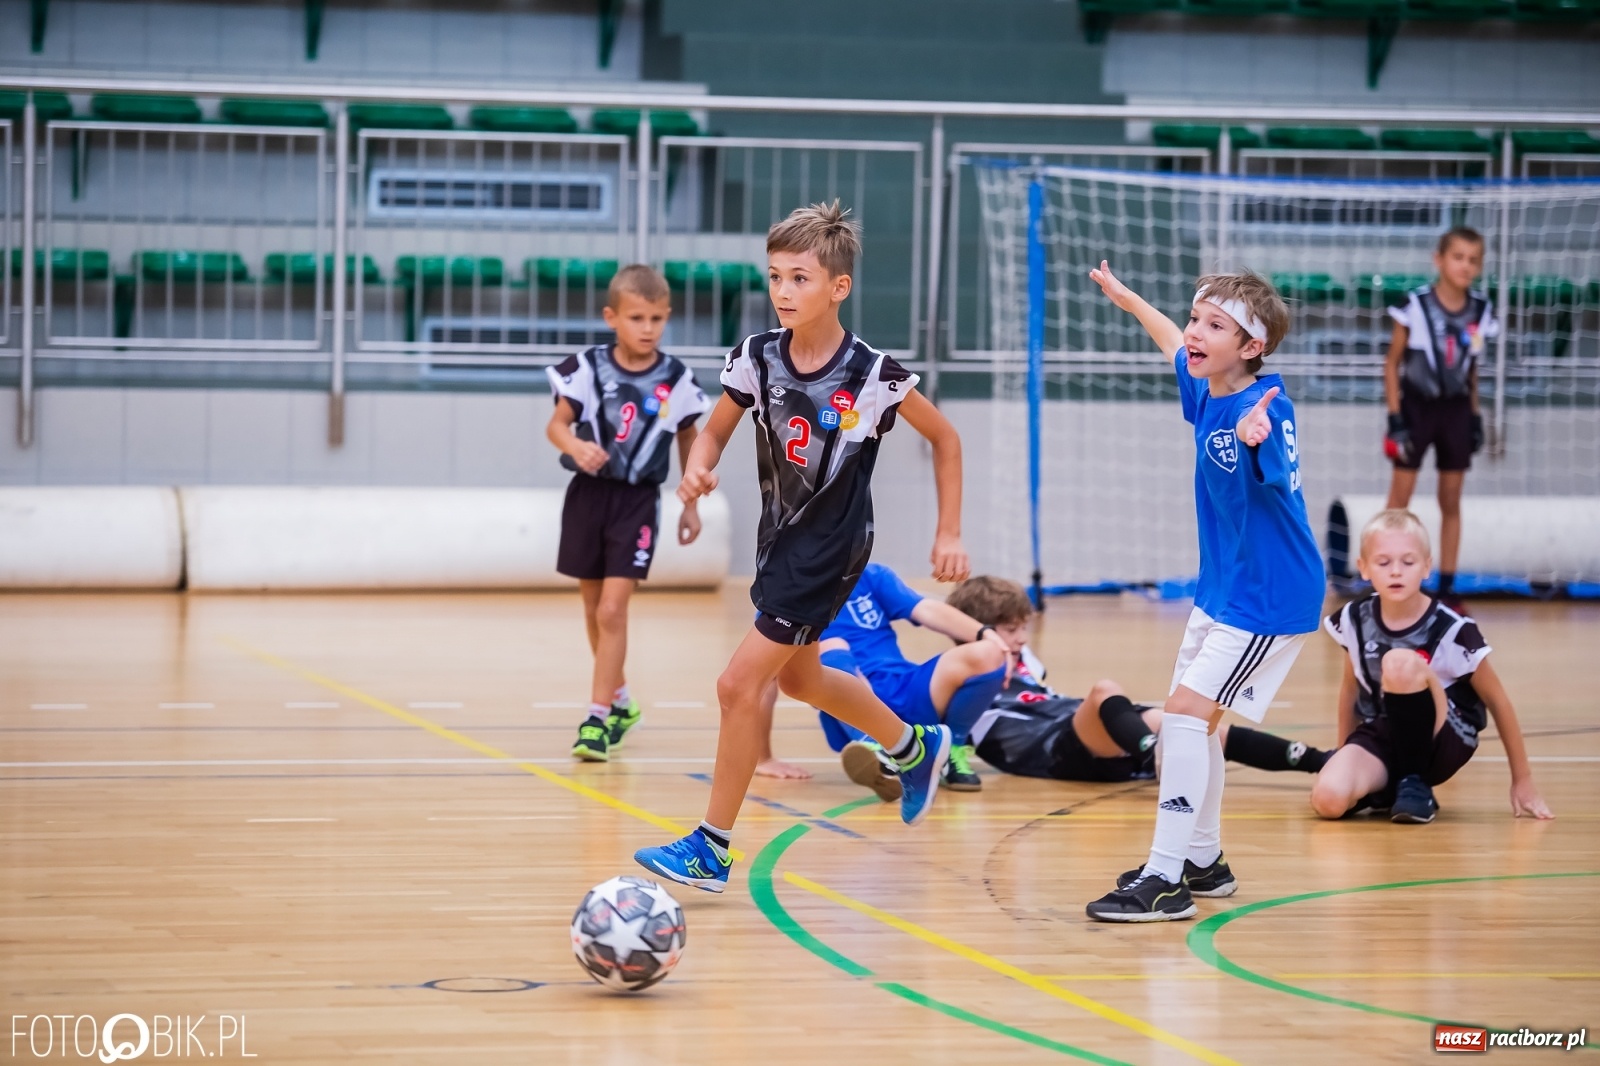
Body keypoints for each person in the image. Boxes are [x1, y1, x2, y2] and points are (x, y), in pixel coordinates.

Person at [633, 201, 968, 894]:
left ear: (838, 288)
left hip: (831, 549)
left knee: (737, 684)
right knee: (799, 679)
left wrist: (949, 531)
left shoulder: (872, 374)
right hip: (779, 541)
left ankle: (712, 847)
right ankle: (914, 746)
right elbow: (717, 430)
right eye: (775, 277)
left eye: (800, 278)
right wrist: (699, 465)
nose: (783, 292)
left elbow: (946, 438)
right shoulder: (756, 358)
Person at [1083, 264, 1325, 922]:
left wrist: (1255, 440)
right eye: (1196, 317)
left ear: (1252, 348)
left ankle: (1165, 878)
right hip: (1222, 591)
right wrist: (1132, 298)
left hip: (1269, 598)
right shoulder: (1208, 384)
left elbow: (1276, 468)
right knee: (1200, 728)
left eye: (1214, 325)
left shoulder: (1264, 407)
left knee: (1185, 719)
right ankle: (1204, 861)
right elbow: (1169, 341)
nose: (1193, 331)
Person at [835, 575, 1331, 803]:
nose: (1019, 640)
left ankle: (1319, 761)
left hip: (1065, 721)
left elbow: (1035, 682)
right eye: (1010, 630)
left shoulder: (1027, 663)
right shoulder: (969, 676)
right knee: (1105, 691)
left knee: (1188, 724)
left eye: (1022, 630)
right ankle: (1149, 751)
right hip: (1045, 746)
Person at [546, 264, 711, 763]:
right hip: (588, 496)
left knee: (614, 610)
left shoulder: (677, 379)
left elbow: (690, 438)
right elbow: (556, 426)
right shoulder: (586, 368)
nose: (648, 328)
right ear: (611, 317)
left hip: (637, 501)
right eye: (637, 317)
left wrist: (691, 503)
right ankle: (620, 701)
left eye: (657, 318)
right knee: (594, 608)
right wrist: (576, 446)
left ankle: (596, 718)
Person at [1311, 509, 1552, 824]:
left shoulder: (1452, 628)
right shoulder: (1353, 619)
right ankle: (1386, 788)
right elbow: (1349, 690)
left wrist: (1522, 779)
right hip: (1384, 732)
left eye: (1408, 562)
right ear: (1364, 568)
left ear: (1426, 567)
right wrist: (1344, 753)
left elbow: (1498, 701)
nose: (1396, 571)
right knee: (1328, 800)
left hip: (1445, 738)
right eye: (1383, 562)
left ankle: (1415, 781)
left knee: (1398, 663)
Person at [808, 563, 1014, 793]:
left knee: (988, 652)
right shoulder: (786, 592)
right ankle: (875, 749)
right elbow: (767, 674)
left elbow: (926, 610)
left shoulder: (869, 575)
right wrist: (765, 758)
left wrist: (990, 636)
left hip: (904, 687)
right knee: (831, 646)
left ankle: (950, 751)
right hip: (850, 706)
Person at [1382, 227, 1498, 611]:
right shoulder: (1414, 305)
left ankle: (1447, 587)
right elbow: (1393, 363)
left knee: (1451, 499)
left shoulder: (1481, 310)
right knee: (1400, 499)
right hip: (1416, 408)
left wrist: (1476, 416)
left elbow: (1473, 369)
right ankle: (1387, 580)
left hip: (1457, 410)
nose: (1466, 266)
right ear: (1439, 260)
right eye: (1458, 257)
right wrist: (1395, 416)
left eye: (1473, 260)